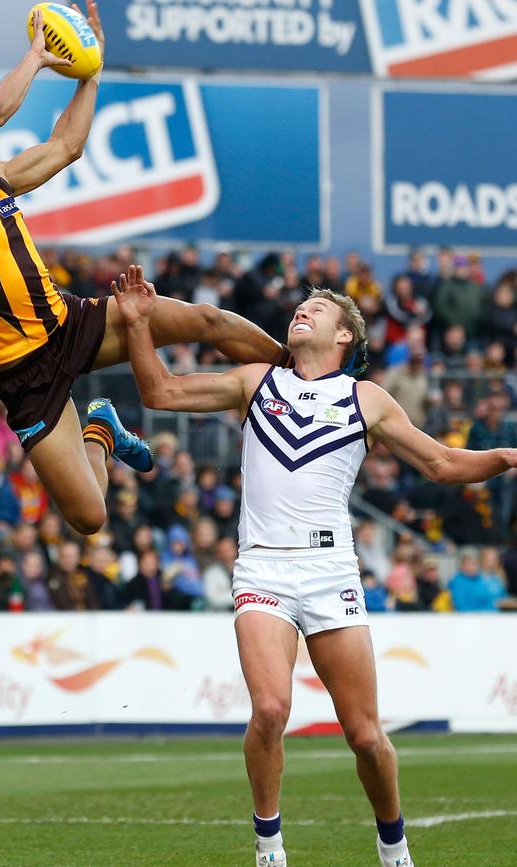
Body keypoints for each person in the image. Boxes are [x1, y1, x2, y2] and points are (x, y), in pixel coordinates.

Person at [112, 265, 517, 867]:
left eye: (317, 309)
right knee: (272, 709)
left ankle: (393, 845)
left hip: (332, 573)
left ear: (345, 336)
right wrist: (139, 324)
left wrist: (508, 455)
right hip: (263, 569)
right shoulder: (256, 381)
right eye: (300, 307)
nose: (301, 311)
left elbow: (442, 465)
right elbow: (161, 393)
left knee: (365, 736)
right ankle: (269, 846)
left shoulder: (366, 398)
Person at [0, 3, 288, 539]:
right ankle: (101, 426)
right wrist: (36, 58)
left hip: (71, 323)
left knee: (207, 320)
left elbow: (68, 146)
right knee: (90, 517)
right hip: (21, 372)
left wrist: (91, 72)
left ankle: (302, 377)